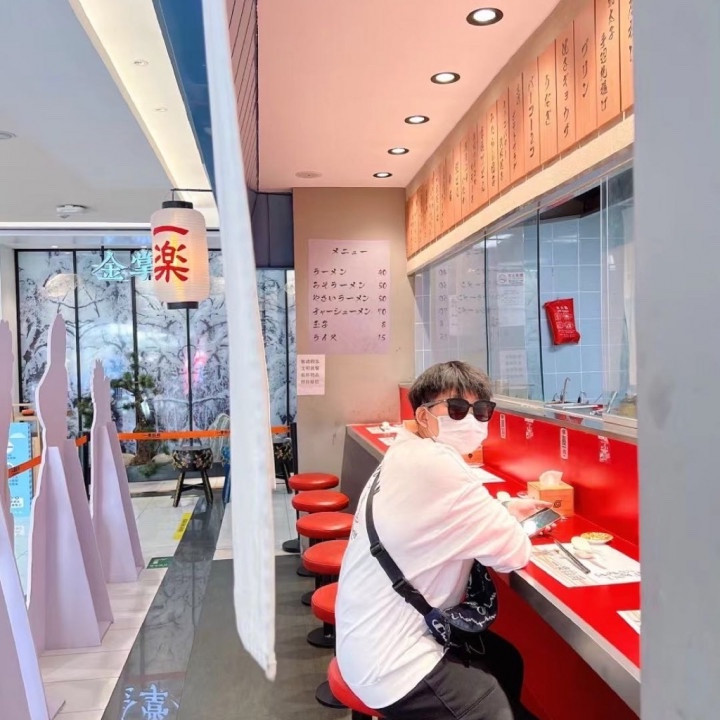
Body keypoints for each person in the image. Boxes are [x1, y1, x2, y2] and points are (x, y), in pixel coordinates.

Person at [335, 361, 552, 719]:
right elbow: (513, 553)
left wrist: (504, 510)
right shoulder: (438, 466)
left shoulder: (408, 452)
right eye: (456, 409)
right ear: (423, 416)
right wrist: (507, 520)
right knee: (493, 709)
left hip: (366, 634)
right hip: (391, 662)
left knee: (505, 661)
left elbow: (447, 514)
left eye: (481, 411)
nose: (471, 420)